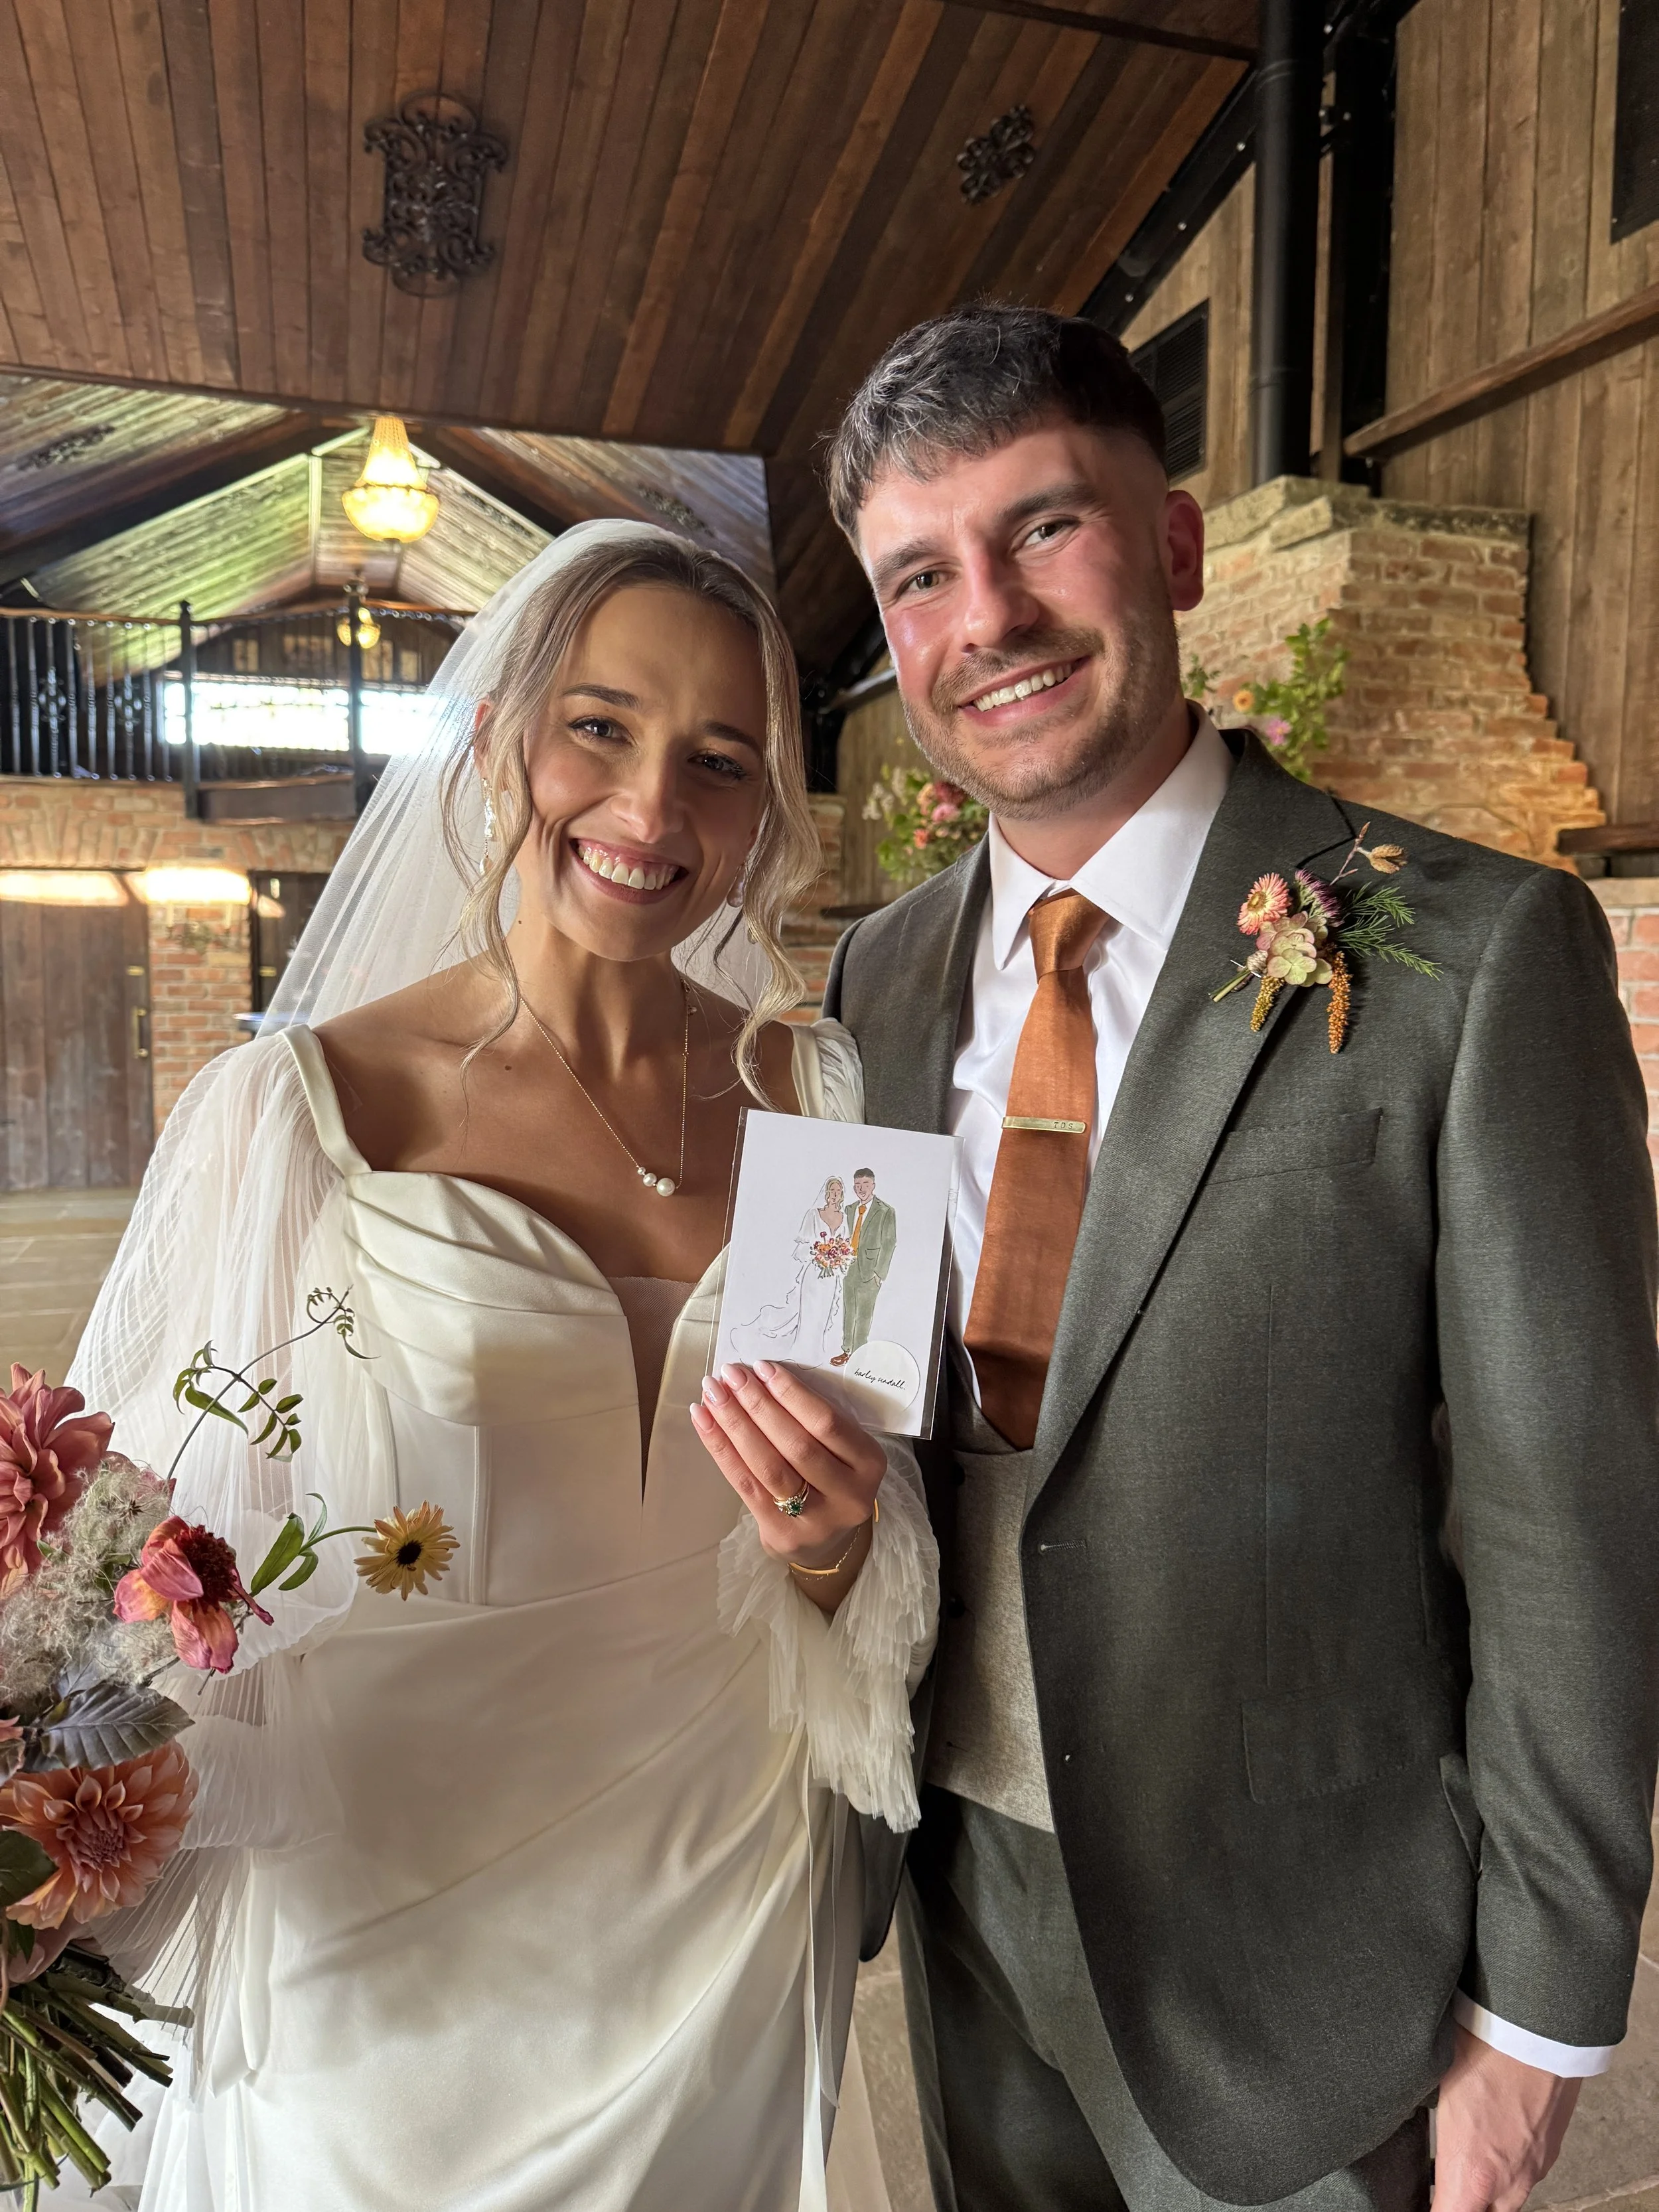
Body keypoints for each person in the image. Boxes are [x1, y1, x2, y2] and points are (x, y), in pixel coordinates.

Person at [820, 306, 1659, 2212]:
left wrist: (1537, 2025)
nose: (992, 619)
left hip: (1305, 1955)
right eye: (921, 575)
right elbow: (857, 1392)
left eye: (1047, 528)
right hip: (954, 1896)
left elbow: (1569, 1514)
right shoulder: (872, 978)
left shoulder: (1467, 952)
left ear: (1176, 544)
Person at [66, 522, 938, 2212]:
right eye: (600, 727)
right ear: (497, 741)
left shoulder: (826, 1107)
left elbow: (866, 1544)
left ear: (766, 812)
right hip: (389, 1922)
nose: (651, 809)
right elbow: (155, 1573)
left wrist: (832, 1541)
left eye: (719, 760)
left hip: (721, 1888)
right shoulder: (297, 1116)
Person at [740, 1177, 852, 1365]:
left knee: (822, 1314)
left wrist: (837, 1257)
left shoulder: (844, 1218)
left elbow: (846, 1245)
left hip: (832, 1276)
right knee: (809, 1312)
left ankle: (816, 1353)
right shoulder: (814, 1215)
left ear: (842, 1195)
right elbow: (802, 1248)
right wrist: (819, 1253)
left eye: (838, 1191)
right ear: (826, 1193)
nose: (834, 1195)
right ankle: (801, 1353)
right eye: (831, 1191)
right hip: (814, 1273)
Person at [833, 1171, 897, 1366]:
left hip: (870, 1272)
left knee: (864, 1315)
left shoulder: (885, 1210)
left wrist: (880, 1274)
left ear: (873, 1185)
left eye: (866, 1184)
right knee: (849, 1311)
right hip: (849, 1267)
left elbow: (889, 1242)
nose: (861, 1188)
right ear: (854, 1188)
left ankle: (859, 1356)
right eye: (858, 1185)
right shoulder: (849, 1209)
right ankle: (846, 1350)